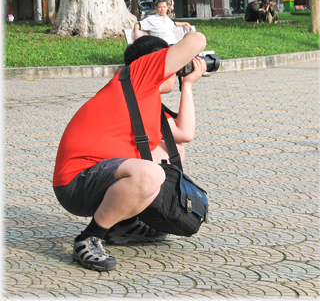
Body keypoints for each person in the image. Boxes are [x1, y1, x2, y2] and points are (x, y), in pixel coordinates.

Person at [53, 31, 207, 272]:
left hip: (96, 179)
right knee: (152, 173)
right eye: (174, 64)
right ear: (155, 61)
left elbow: (184, 133)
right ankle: (89, 238)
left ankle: (122, 225)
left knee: (173, 150)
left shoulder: (145, 97)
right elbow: (197, 39)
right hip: (75, 183)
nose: (176, 70)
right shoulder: (139, 75)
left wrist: (187, 85)